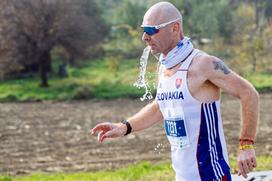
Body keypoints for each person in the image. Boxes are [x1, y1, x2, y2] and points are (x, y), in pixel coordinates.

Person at [91, 2, 259, 181]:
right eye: (143, 30)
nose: (144, 37)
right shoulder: (164, 67)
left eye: (151, 29)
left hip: (211, 176)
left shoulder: (203, 64)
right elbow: (159, 107)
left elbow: (249, 93)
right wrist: (124, 127)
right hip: (182, 176)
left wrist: (246, 145)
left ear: (175, 27)